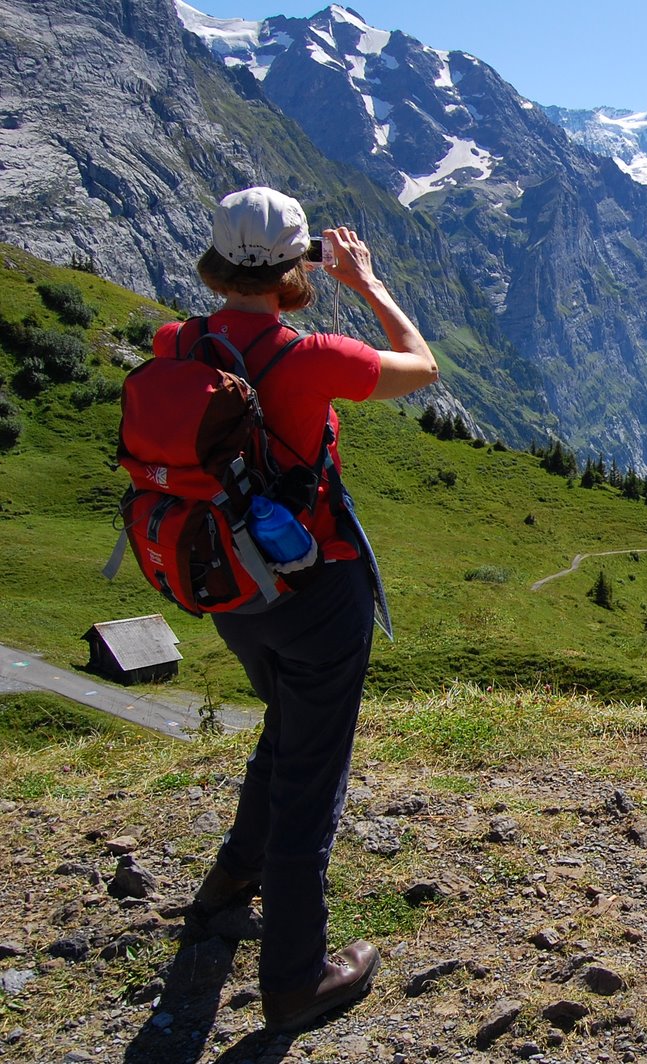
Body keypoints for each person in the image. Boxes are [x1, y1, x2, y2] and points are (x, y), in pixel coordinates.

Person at [177, 186, 438, 1033]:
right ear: (299, 266)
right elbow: (421, 366)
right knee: (312, 777)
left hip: (228, 589)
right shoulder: (317, 356)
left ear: (217, 264)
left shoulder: (180, 343)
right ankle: (294, 979)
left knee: (287, 729)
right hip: (315, 595)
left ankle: (227, 885)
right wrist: (367, 283)